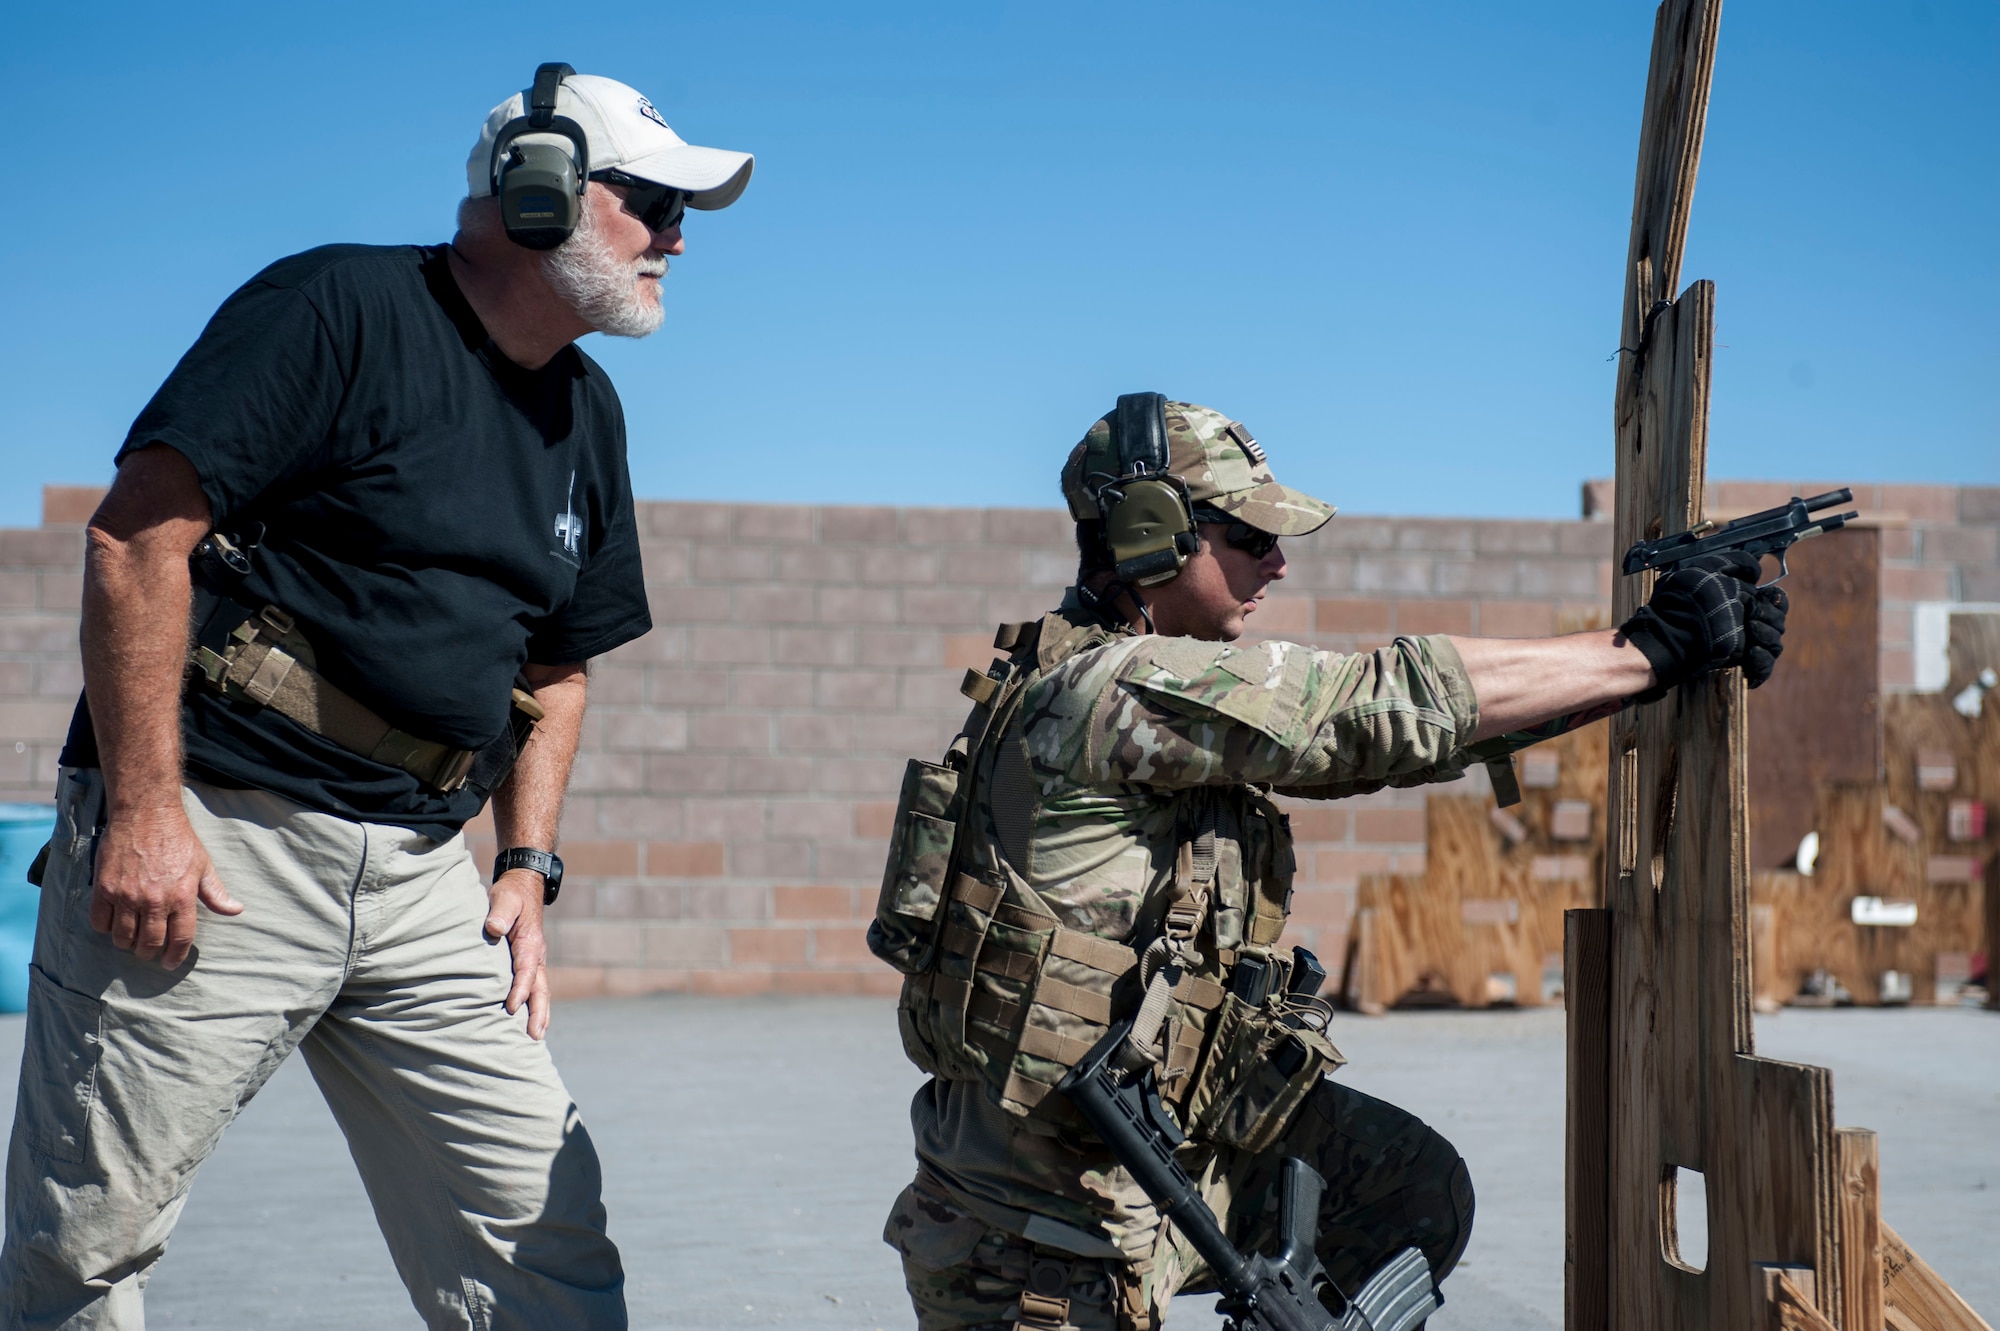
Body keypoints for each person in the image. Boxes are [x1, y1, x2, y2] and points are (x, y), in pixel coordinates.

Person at [0, 66, 751, 1330]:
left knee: (538, 1223)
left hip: (418, 874)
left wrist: (525, 864)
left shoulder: (587, 409)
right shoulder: (337, 307)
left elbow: (556, 668)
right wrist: (142, 813)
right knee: (89, 1241)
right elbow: (135, 543)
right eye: (654, 202)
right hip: (222, 837)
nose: (679, 237)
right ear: (540, 189)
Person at [870, 395, 1786, 1330]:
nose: (1276, 558)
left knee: (1407, 1189)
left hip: (1134, 1164)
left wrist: (1639, 670)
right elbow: (1360, 709)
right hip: (1038, 1241)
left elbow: (1399, 738)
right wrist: (1649, 647)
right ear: (1153, 539)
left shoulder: (1114, 682)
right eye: (1251, 532)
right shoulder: (1111, 692)